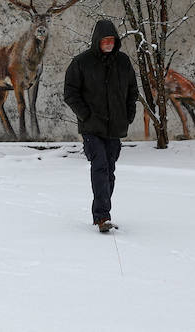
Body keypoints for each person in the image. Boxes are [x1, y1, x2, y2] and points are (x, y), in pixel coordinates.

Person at [63, 18, 137, 232]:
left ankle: (101, 212)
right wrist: (85, 115)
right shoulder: (81, 62)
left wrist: (128, 115)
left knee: (109, 171)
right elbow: (70, 93)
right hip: (92, 128)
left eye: (111, 40)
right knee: (100, 166)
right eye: (104, 40)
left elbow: (133, 91)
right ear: (97, 40)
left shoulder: (123, 62)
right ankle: (102, 216)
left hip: (115, 128)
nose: (108, 43)